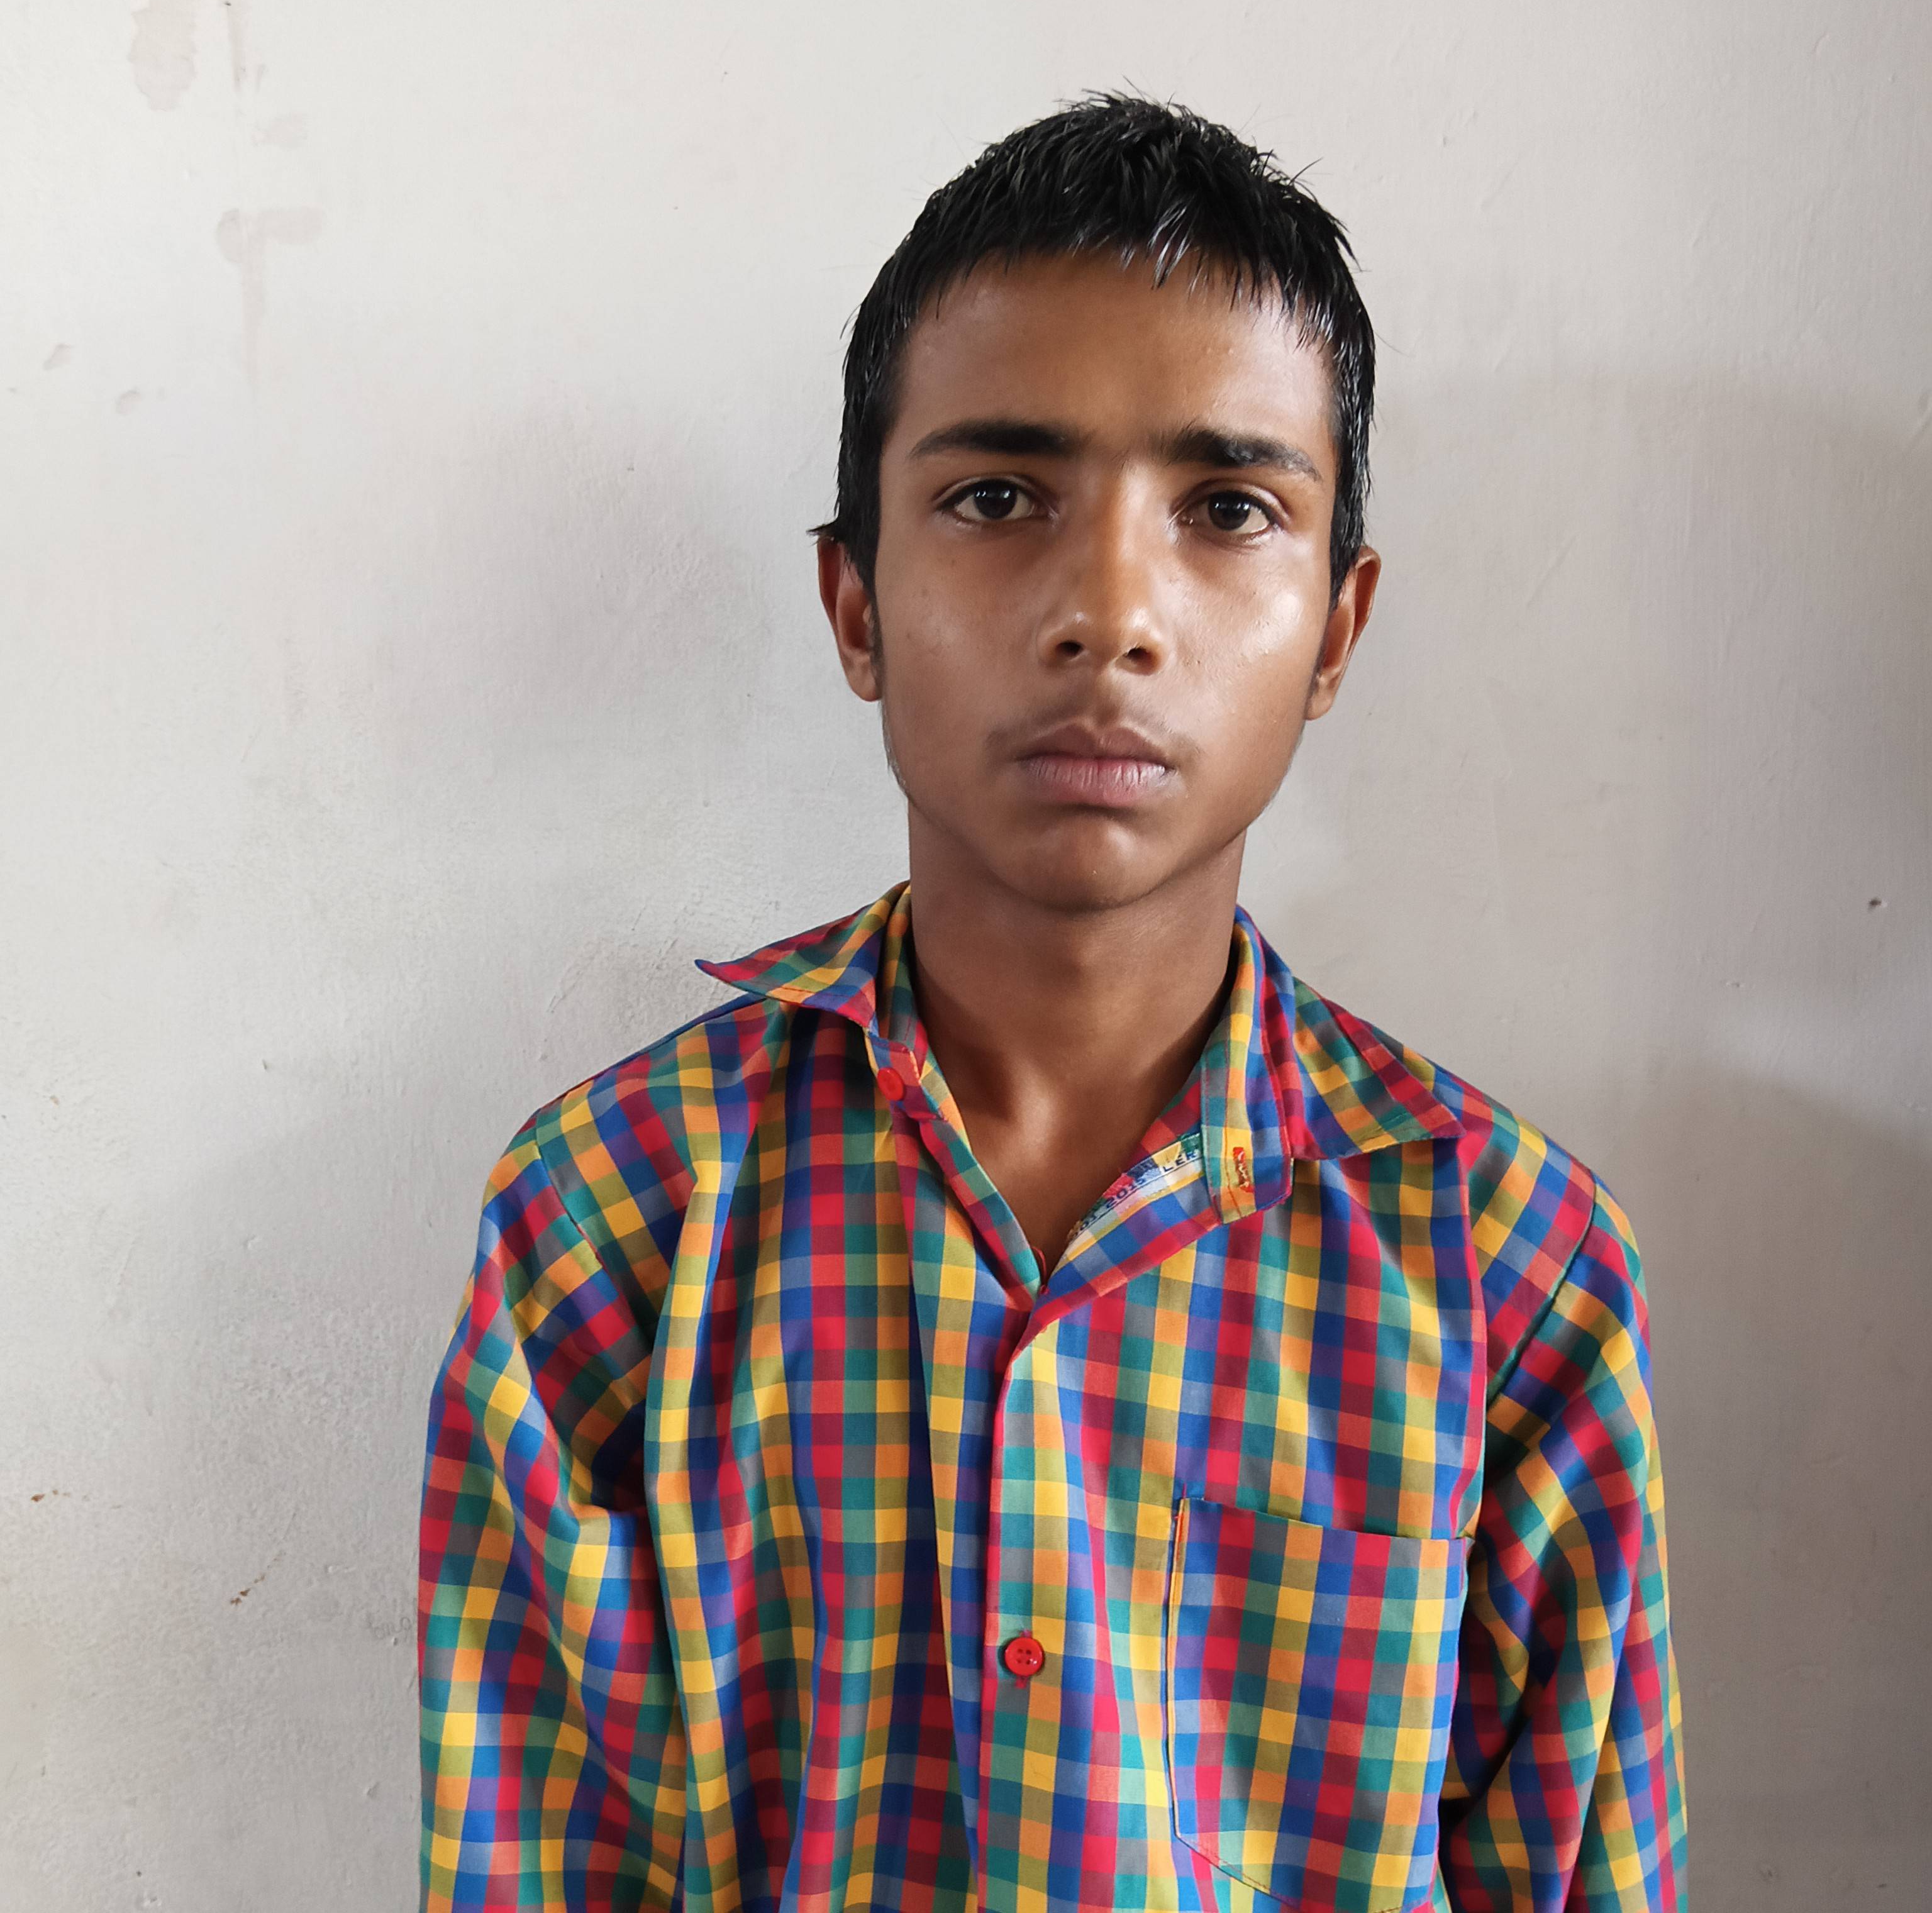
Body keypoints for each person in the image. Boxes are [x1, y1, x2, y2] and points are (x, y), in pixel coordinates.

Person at [418, 94, 1686, 1913]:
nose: (1111, 612)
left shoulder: (1511, 1272)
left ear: (1337, 630)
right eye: (998, 498)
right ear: (857, 606)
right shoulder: (615, 1220)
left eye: (1229, 509)